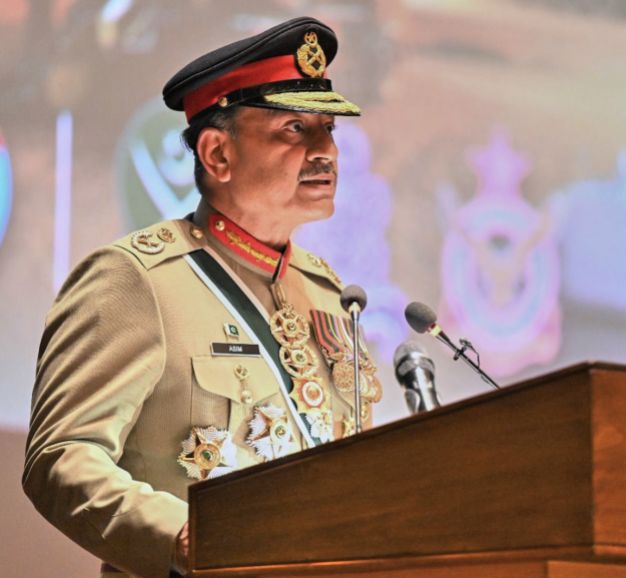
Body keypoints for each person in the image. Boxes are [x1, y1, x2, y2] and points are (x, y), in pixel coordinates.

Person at [23, 16, 382, 578]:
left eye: (329, 129)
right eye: (295, 129)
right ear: (217, 154)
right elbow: (62, 457)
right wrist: (184, 536)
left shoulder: (328, 293)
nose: (325, 151)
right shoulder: (135, 279)